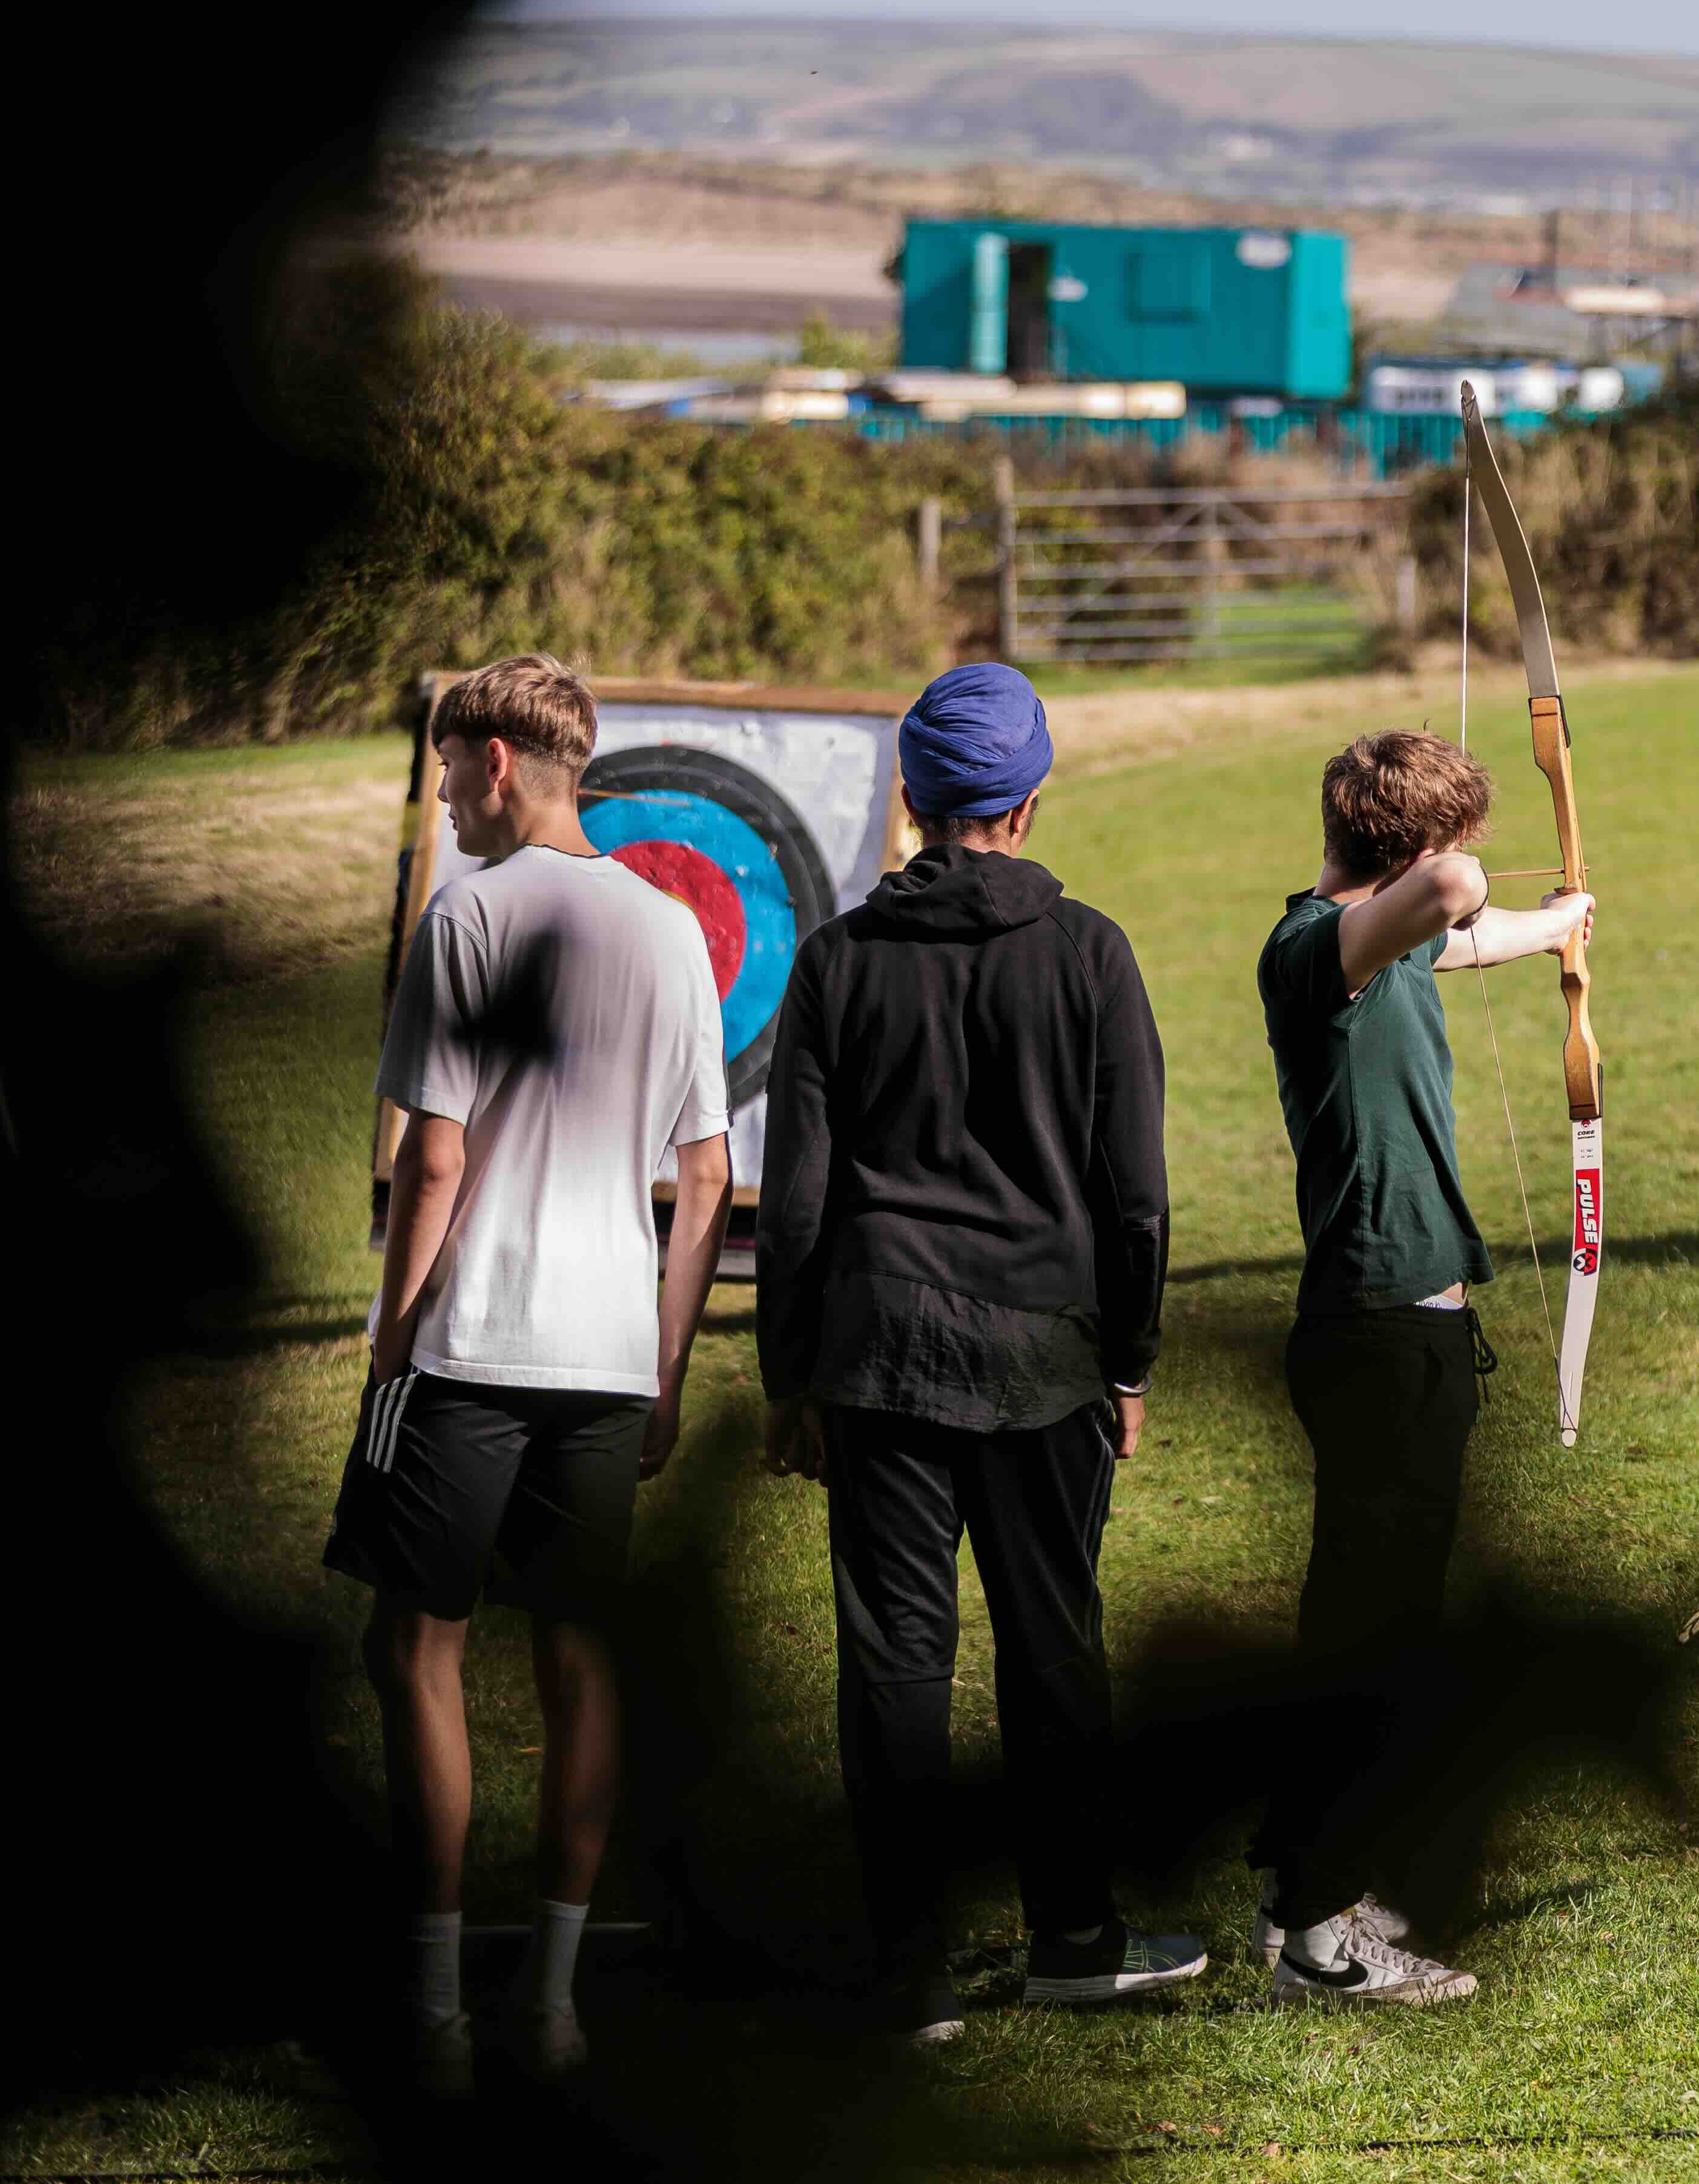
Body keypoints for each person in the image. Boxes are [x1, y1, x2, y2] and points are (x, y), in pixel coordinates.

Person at [756, 662, 1194, 2042]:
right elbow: (1135, 1193)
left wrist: (791, 1376)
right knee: (1052, 1643)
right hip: (1050, 1355)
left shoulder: (835, 960)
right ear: (1030, 799)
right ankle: (1073, 1933)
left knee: (896, 1658)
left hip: (879, 1353)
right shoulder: (1091, 950)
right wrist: (1130, 1361)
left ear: (914, 801)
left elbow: (802, 1201)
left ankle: (910, 1972)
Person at [336, 654, 734, 2093]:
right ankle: (555, 1996)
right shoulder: (673, 929)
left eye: (449, 767)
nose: (442, 795)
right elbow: (705, 1173)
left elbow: (432, 1155)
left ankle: (438, 2001)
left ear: (499, 760)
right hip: (609, 1352)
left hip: (472, 1344)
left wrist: (391, 1336)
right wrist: (670, 1363)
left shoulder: (472, 912)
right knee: (578, 1657)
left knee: (417, 1647)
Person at [1245, 728, 1592, 2006]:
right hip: (1380, 1329)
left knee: (1363, 1621)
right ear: (1410, 849)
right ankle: (1323, 1944)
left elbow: (1462, 929)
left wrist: (1560, 923)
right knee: (1373, 1637)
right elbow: (1449, 896)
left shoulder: (1379, 949)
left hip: (1410, 1329)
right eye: (1442, 840)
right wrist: (1464, 870)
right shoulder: (1314, 951)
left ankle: (1300, 1879)